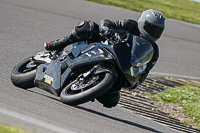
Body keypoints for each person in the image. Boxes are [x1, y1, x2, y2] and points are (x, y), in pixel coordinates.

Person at [44, 9, 165, 108]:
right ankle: (58, 44)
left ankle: (88, 86)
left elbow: (145, 70)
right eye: (151, 28)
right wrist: (106, 29)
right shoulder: (129, 25)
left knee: (112, 100)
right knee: (87, 26)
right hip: (104, 47)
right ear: (142, 23)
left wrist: (137, 81)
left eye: (158, 31)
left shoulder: (153, 51)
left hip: (119, 66)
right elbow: (106, 22)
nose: (154, 33)